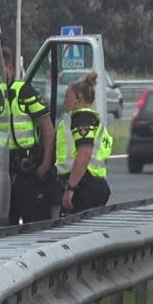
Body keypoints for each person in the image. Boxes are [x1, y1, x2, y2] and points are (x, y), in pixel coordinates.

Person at [0, 72, 54, 223]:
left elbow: (47, 127)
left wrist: (46, 162)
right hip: (5, 164)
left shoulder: (25, 91)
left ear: (10, 68)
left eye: (5, 68)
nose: (2, 73)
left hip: (27, 164)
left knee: (34, 218)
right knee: (6, 220)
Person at [55, 71, 112, 214]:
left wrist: (71, 189)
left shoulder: (82, 118)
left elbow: (84, 154)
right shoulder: (92, 118)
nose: (64, 101)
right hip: (91, 183)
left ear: (78, 97)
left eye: (67, 96)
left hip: (84, 185)